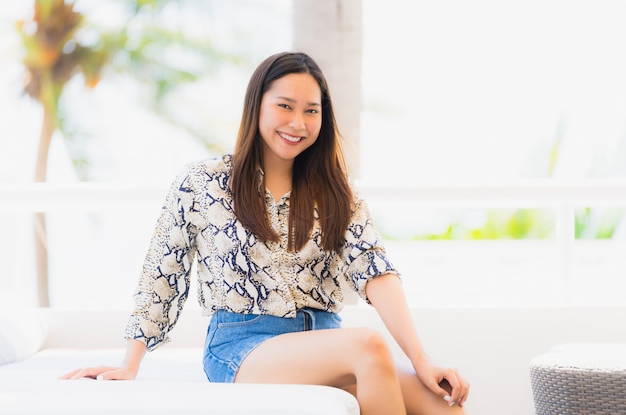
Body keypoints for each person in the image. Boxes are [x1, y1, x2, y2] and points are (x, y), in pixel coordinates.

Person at [62, 51, 470, 415]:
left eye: (312, 111)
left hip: (324, 343)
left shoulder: (335, 190)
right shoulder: (203, 183)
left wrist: (422, 360)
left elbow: (376, 271)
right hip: (243, 347)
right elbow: (162, 273)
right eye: (285, 106)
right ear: (256, 105)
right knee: (367, 345)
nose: (298, 122)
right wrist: (128, 364)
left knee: (443, 407)